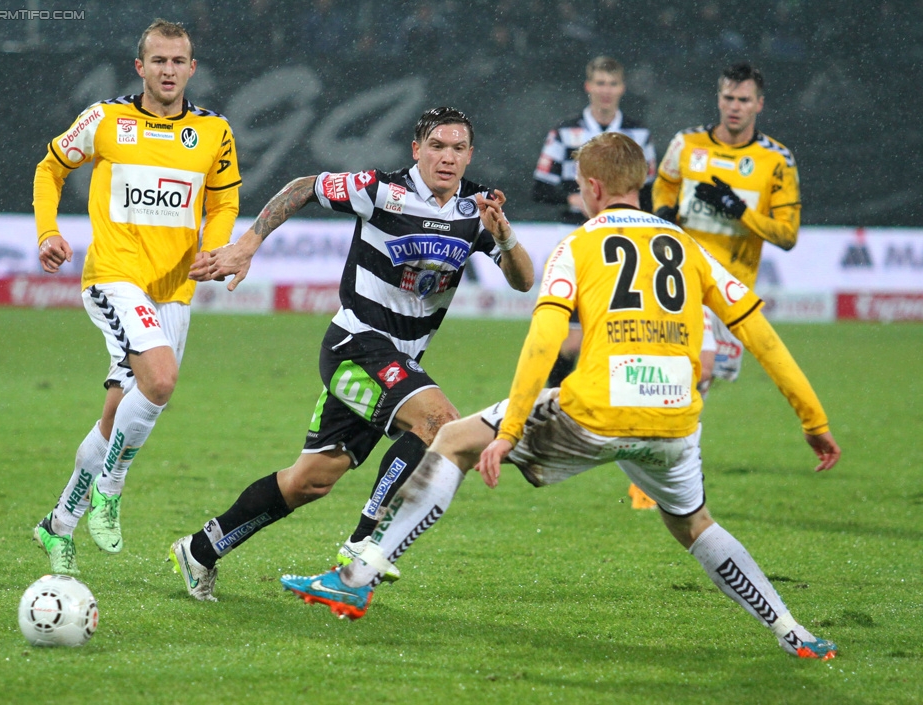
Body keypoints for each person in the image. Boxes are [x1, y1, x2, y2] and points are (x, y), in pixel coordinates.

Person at [281, 132, 841, 661]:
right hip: (675, 419)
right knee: (694, 522)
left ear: (593, 188)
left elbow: (545, 338)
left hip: (597, 410)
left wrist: (510, 429)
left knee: (452, 440)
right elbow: (759, 334)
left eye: (578, 185)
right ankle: (792, 630)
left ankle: (358, 577)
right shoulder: (687, 246)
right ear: (640, 182)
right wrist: (812, 422)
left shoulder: (579, 245)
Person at [168, 107, 535, 601]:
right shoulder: (381, 190)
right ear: (416, 150)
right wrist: (247, 245)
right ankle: (361, 549)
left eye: (457, 148)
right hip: (353, 346)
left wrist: (504, 234)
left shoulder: (476, 210)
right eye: (436, 146)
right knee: (439, 424)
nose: (446, 158)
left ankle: (199, 550)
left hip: (400, 365)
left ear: (469, 155)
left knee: (309, 481)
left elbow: (523, 280)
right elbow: (303, 186)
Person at [31, 19, 241, 575]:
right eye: (158, 61)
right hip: (113, 275)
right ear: (139, 67)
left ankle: (57, 525)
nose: (168, 71)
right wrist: (48, 231)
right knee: (162, 380)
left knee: (115, 417)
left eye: (179, 62)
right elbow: (51, 168)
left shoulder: (214, 132)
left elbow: (222, 205)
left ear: (192, 69)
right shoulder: (105, 119)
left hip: (174, 288)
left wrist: (216, 251)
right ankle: (112, 488)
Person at [532, 56, 658, 509]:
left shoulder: (639, 136)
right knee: (565, 341)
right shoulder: (565, 132)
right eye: (599, 82)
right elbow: (540, 184)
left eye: (613, 83)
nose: (605, 90)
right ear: (589, 86)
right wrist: (571, 195)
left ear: (622, 88)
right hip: (576, 241)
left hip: (621, 249)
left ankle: (583, 421)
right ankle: (552, 418)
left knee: (603, 338)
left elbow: (652, 190)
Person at [653, 62, 800, 398]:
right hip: (682, 281)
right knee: (683, 374)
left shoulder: (777, 160)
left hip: (732, 292)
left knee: (699, 385)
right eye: (729, 97)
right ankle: (674, 447)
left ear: (759, 104)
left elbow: (787, 236)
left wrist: (738, 210)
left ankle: (676, 448)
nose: (735, 107)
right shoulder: (686, 143)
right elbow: (665, 183)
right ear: (718, 98)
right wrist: (662, 210)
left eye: (744, 100)